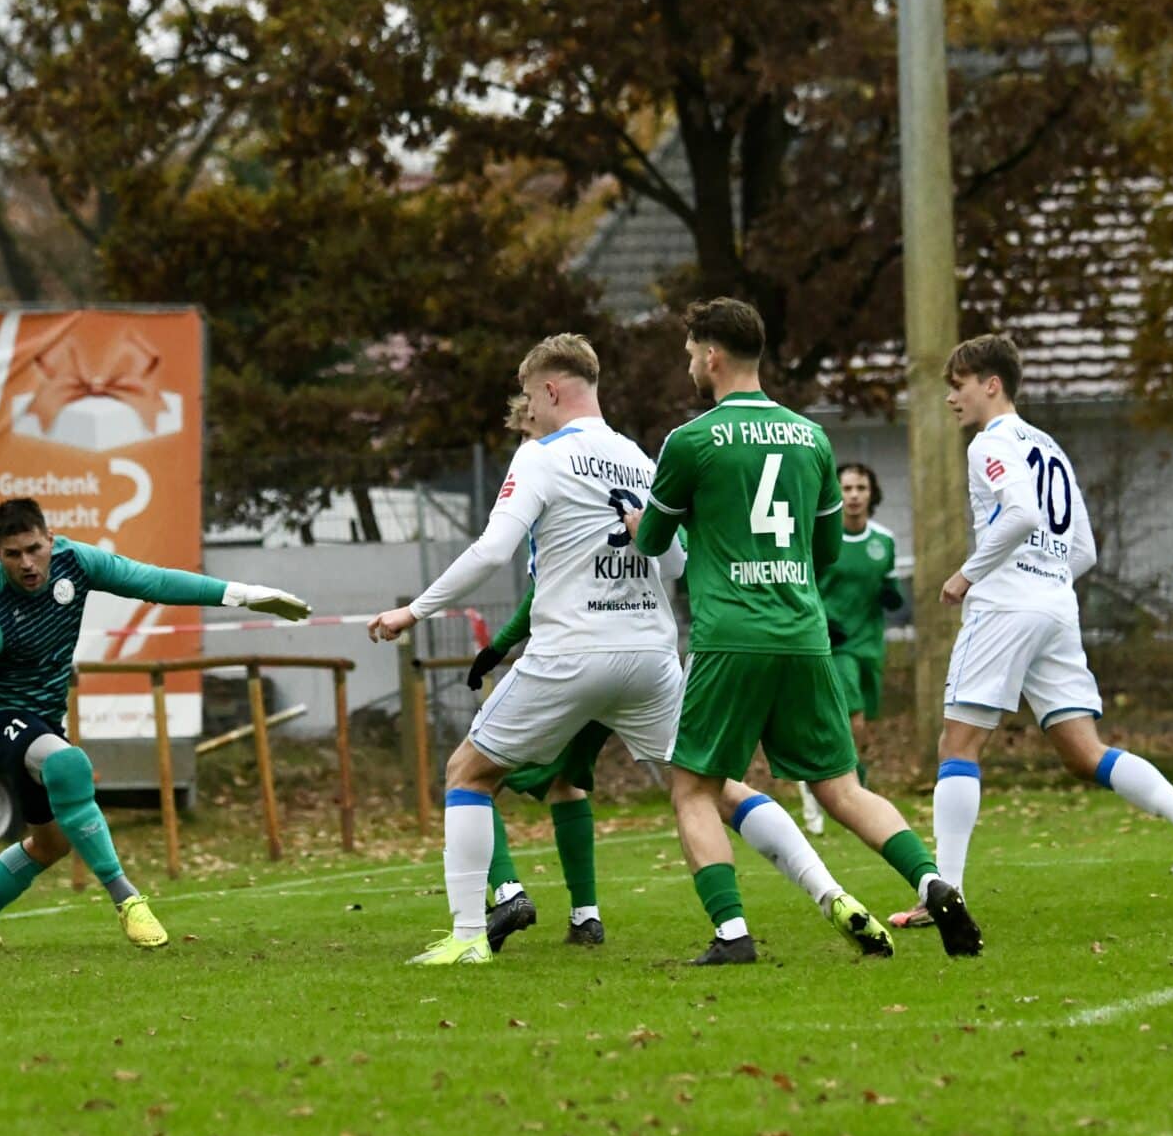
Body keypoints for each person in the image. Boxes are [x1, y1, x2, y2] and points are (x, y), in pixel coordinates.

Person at [626, 298, 961, 962]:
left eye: (691, 354)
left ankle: (731, 934)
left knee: (693, 788)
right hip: (805, 635)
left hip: (730, 636)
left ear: (712, 357)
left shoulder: (690, 441)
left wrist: (657, 524)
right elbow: (828, 550)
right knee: (843, 788)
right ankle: (932, 881)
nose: (689, 365)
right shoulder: (812, 438)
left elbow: (654, 543)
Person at [895, 333, 1173, 931]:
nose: (951, 397)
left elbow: (1022, 514)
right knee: (1084, 752)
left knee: (958, 744)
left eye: (958, 385)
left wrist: (969, 574)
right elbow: (1084, 550)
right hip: (1055, 605)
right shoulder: (1048, 446)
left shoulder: (989, 442)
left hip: (1006, 607)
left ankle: (946, 896)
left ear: (991, 384)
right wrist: (1046, 578)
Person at [367, 334, 689, 966]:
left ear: (548, 389)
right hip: (649, 652)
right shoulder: (642, 460)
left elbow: (493, 552)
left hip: (572, 652)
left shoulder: (541, 455)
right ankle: (825, 894)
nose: (528, 411)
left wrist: (415, 610)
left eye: (528, 396)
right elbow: (676, 564)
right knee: (708, 786)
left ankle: (472, 933)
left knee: (469, 772)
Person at [0, 497, 310, 952]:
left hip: (42, 721)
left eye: (34, 549)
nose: (27, 563)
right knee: (69, 764)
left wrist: (241, 594)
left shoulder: (76, 562)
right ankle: (127, 898)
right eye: (13, 554)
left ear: (50, 540)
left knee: (50, 845)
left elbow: (154, 582)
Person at [466, 395, 615, 952]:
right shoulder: (616, 468)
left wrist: (498, 646)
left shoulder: (548, 472)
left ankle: (508, 892)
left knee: (471, 774)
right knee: (565, 782)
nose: (526, 445)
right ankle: (586, 916)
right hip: (634, 657)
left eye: (529, 431)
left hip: (572, 661)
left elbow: (535, 586)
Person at [797, 463, 904, 833]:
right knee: (853, 719)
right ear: (836, 493)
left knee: (862, 724)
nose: (854, 495)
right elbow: (805, 583)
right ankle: (850, 791)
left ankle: (818, 777)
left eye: (861, 488)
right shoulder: (823, 537)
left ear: (872, 493)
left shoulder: (884, 540)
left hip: (869, 644)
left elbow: (889, 583)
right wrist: (822, 620)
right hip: (832, 643)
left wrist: (892, 595)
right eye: (847, 488)